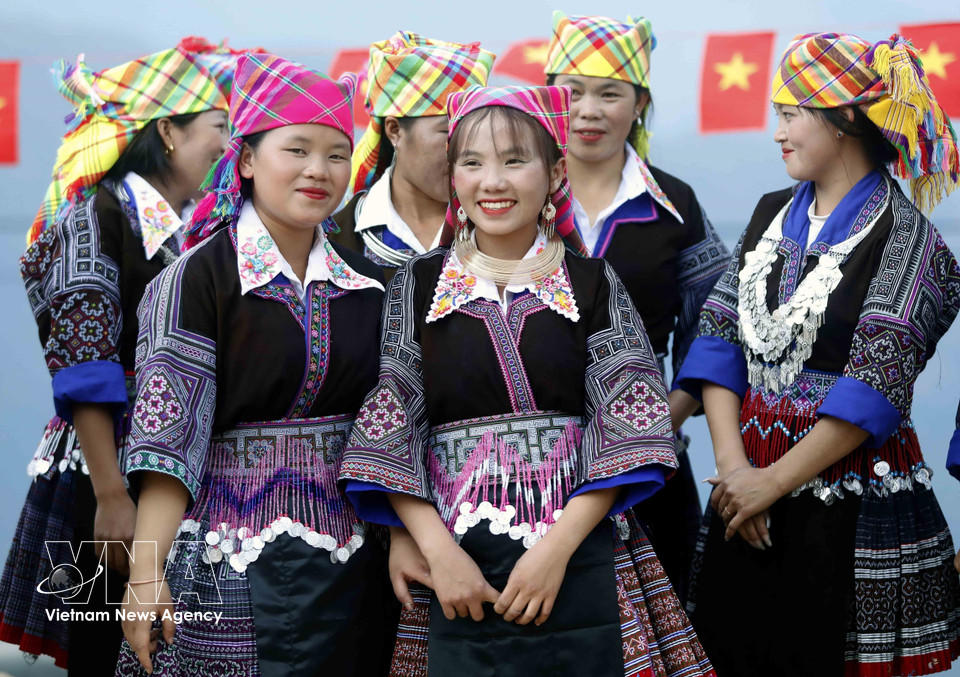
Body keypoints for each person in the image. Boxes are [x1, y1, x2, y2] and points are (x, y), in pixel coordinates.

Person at [340, 84, 715, 677]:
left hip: (583, 552)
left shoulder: (593, 283)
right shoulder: (413, 287)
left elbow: (630, 423)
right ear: (453, 177)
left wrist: (554, 553)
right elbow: (390, 427)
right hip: (454, 566)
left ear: (555, 170)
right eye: (472, 162)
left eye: (515, 160)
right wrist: (438, 553)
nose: (493, 181)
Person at [675, 32, 960, 677]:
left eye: (790, 113)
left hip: (847, 505)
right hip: (743, 494)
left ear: (846, 119)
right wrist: (734, 469)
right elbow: (719, 340)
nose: (776, 132)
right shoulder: (770, 213)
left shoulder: (908, 239)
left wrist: (769, 484)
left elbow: (875, 387)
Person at [115, 53, 394, 676]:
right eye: (296, 149)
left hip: (356, 563)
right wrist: (144, 573)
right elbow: (167, 444)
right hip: (230, 561)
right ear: (245, 159)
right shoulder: (198, 279)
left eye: (336, 154)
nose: (318, 171)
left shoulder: (369, 284)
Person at [0, 39, 239, 674]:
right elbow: (85, 365)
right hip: (108, 474)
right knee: (109, 644)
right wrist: (111, 495)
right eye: (218, 127)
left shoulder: (193, 228)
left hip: (170, 467)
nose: (228, 144)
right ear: (168, 131)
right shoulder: (97, 217)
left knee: (170, 646)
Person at [544, 12, 730, 600]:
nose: (589, 110)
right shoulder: (516, 194)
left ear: (640, 102)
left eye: (610, 93)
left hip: (651, 469)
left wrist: (665, 418)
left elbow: (719, 331)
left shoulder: (674, 204)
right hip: (532, 471)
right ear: (550, 99)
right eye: (571, 92)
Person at [331, 32, 494, 282]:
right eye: (448, 131)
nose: (466, 151)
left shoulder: (503, 230)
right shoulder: (334, 239)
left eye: (474, 133)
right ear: (395, 131)